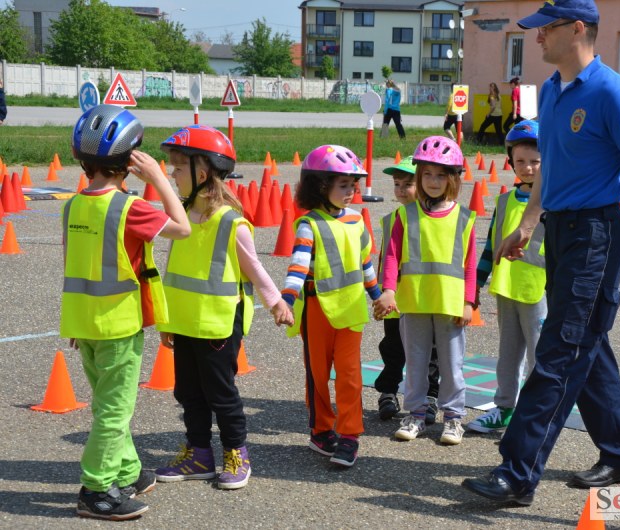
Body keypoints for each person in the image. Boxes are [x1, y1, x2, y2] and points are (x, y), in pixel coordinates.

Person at [461, 0, 620, 506]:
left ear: (576, 29)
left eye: (544, 29)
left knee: (560, 349)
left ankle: (516, 473)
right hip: (561, 231)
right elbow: (550, 165)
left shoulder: (613, 93)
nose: (536, 37)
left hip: (597, 234)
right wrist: (528, 224)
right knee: (587, 348)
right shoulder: (552, 91)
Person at [62, 104, 191, 520]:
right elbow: (182, 228)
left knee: (108, 405)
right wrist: (158, 178)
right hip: (119, 326)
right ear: (129, 160)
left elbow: (74, 265)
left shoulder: (73, 206)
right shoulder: (128, 208)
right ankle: (96, 489)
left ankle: (128, 471)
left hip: (84, 323)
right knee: (114, 411)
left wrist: (77, 322)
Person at [154, 125, 293, 490]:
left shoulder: (231, 223)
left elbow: (255, 269)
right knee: (188, 393)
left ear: (201, 175)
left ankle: (236, 453)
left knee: (221, 394)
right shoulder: (182, 218)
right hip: (184, 321)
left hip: (218, 325)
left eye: (178, 168)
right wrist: (166, 321)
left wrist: (276, 302)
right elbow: (174, 272)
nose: (172, 173)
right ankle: (199, 455)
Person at [281, 145, 381, 467]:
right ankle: (321, 430)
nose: (351, 192)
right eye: (343, 185)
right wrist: (286, 299)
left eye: (353, 185)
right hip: (317, 311)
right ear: (320, 186)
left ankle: (349, 436)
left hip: (351, 311)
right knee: (318, 375)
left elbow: (365, 264)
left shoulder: (356, 221)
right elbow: (298, 266)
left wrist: (378, 295)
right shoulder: (308, 224)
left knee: (350, 376)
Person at [374, 136, 477, 446]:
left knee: (452, 365)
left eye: (441, 175)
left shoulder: (464, 218)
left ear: (453, 178)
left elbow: (470, 264)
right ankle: (416, 414)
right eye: (427, 174)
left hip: (450, 305)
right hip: (413, 302)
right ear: (419, 177)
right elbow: (392, 256)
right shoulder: (405, 215)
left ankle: (454, 418)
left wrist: (469, 302)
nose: (433, 181)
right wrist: (388, 290)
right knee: (416, 363)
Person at [468, 120, 547, 434]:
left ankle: (536, 413)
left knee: (539, 358)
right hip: (506, 290)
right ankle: (504, 408)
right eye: (520, 161)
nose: (527, 168)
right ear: (511, 161)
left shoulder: (553, 204)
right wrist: (475, 284)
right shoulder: (504, 201)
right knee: (508, 355)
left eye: (535, 161)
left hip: (539, 292)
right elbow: (490, 247)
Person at [374, 156, 440, 425]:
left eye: (408, 184)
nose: (401, 190)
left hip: (425, 299)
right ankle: (388, 391)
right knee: (393, 348)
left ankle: (431, 396)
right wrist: (382, 292)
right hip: (397, 297)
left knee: (431, 352)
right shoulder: (391, 219)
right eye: (397, 184)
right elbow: (386, 258)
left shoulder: (433, 219)